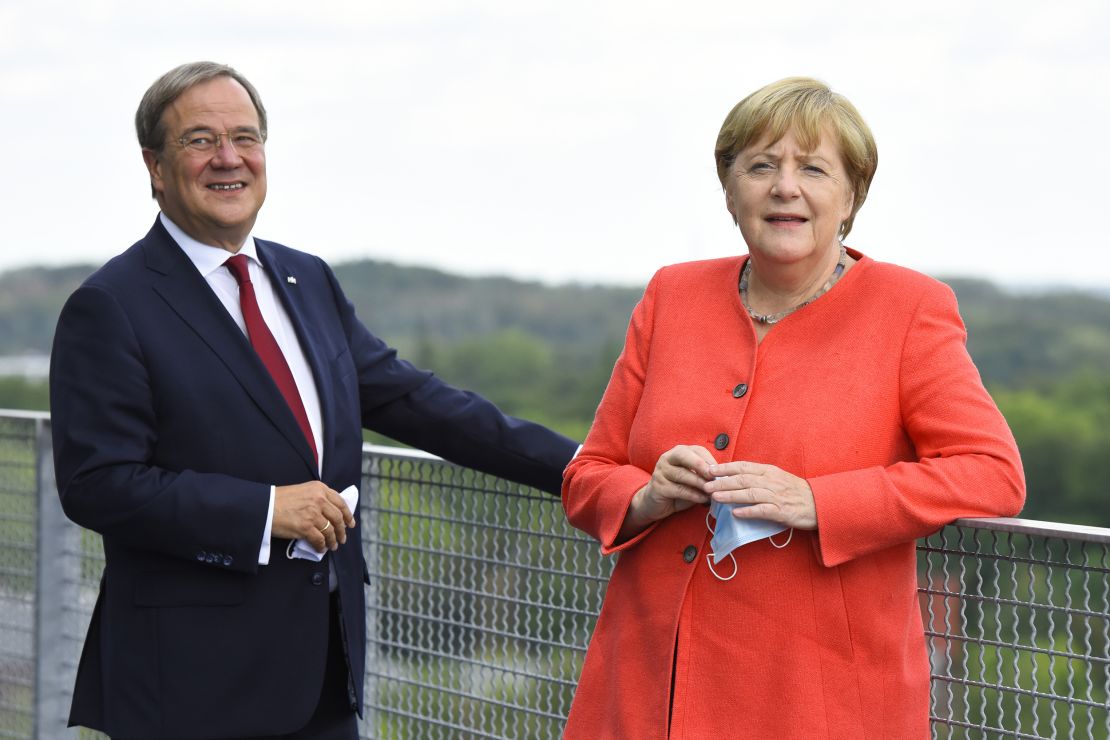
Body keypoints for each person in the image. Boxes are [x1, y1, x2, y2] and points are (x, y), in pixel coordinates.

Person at [49, 61, 578, 740]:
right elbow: (99, 486)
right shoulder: (111, 305)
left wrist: (585, 467)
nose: (229, 158)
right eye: (200, 140)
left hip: (321, 675)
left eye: (245, 136)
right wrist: (266, 509)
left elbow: (421, 402)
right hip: (190, 686)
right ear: (155, 166)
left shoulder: (306, 279)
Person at [561, 77, 1025, 739]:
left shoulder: (909, 309)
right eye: (760, 166)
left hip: (816, 701)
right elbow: (587, 475)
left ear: (851, 196)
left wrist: (821, 501)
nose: (785, 187)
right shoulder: (672, 295)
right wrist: (645, 496)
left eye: (813, 168)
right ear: (729, 188)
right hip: (644, 689)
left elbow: (992, 473)